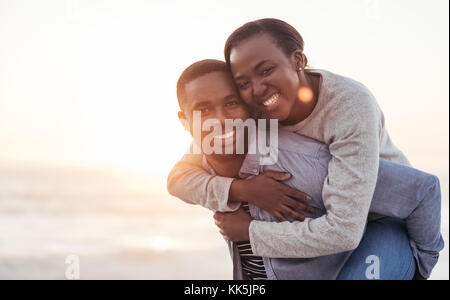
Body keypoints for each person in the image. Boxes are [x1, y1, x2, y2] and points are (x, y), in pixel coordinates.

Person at [171, 59, 443, 280]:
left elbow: (422, 190)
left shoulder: (306, 162)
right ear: (185, 121)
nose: (220, 120)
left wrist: (422, 269)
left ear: (250, 106)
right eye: (203, 109)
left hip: (377, 247)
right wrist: (241, 190)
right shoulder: (204, 159)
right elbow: (176, 180)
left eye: (231, 103)